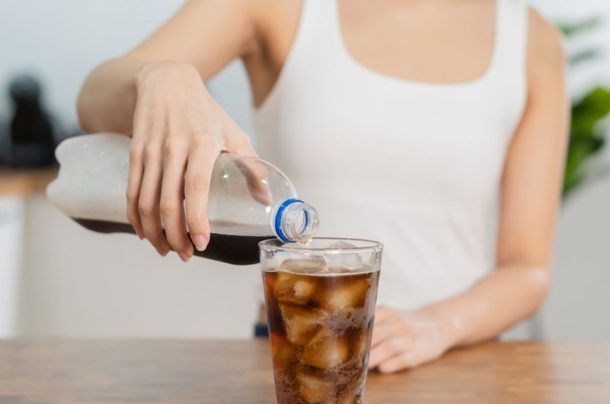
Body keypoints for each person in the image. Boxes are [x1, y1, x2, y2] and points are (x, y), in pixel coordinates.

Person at [77, 0, 568, 373]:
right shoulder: (279, 8)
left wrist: (438, 325)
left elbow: (526, 267)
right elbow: (94, 100)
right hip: (298, 359)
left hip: (460, 369)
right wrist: (160, 77)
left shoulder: (531, 40)